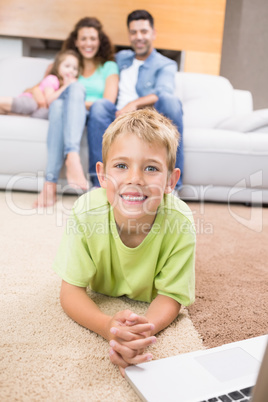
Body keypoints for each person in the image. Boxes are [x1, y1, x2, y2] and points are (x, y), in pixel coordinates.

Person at [53, 108, 195, 376]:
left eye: (151, 168)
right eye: (121, 166)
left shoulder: (180, 220)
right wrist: (109, 327)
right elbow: (70, 291)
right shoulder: (86, 211)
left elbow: (172, 295)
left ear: (171, 181)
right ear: (103, 175)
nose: (134, 179)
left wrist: (141, 333)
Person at [88, 9, 184, 190]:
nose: (139, 37)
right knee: (100, 106)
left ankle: (172, 187)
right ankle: (100, 185)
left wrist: (133, 105)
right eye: (133, 32)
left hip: (148, 118)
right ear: (129, 35)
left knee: (170, 101)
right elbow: (92, 62)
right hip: (115, 115)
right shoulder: (120, 58)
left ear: (153, 33)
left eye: (144, 31)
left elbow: (163, 91)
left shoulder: (165, 64)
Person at [33, 17, 119, 207]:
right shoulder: (68, 64)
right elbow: (40, 88)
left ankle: (57, 176)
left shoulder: (109, 66)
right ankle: (55, 178)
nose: (88, 43)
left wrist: (77, 101)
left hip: (94, 115)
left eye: (92, 38)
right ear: (76, 41)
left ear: (99, 41)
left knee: (76, 90)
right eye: (83, 38)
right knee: (58, 105)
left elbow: (108, 102)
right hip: (64, 114)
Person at [0, 50, 79, 120]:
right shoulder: (52, 79)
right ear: (57, 67)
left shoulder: (68, 86)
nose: (71, 70)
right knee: (31, 105)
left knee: (44, 113)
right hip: (31, 100)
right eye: (67, 66)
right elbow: (49, 100)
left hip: (39, 110)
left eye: (75, 68)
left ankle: (5, 112)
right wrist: (66, 86)